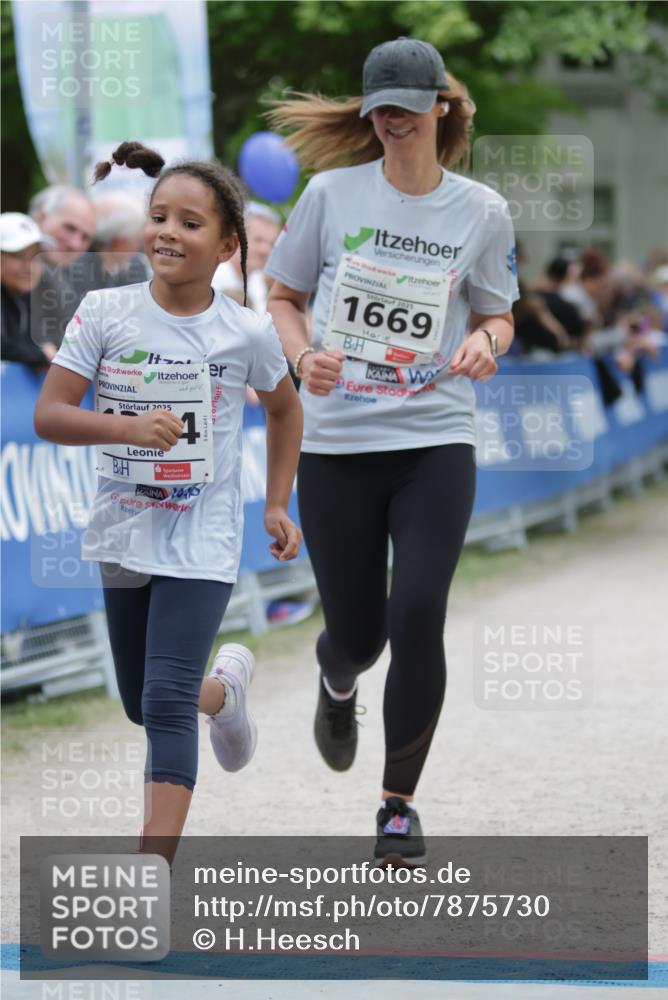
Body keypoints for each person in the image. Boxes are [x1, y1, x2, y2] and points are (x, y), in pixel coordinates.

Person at [265, 37, 518, 865]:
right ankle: (337, 682)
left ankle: (397, 805)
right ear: (369, 111)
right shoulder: (330, 194)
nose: (393, 121)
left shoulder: (480, 209)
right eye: (380, 109)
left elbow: (499, 312)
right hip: (338, 442)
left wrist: (487, 340)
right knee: (360, 636)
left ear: (441, 105)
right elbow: (283, 297)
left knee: (418, 613)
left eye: (408, 106)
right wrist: (304, 358)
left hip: (433, 436)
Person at [34, 141, 303, 862]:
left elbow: (285, 411)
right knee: (141, 702)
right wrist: (126, 428)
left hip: (203, 535)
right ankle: (224, 694)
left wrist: (276, 504)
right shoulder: (104, 311)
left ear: (226, 245)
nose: (168, 233)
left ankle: (150, 876)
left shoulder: (246, 331)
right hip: (123, 531)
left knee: (161, 703)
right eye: (159, 217)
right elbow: (50, 415)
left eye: (190, 223)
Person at [0, 212, 67, 369]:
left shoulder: (25, 297)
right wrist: (40, 354)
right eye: (18, 256)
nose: (29, 266)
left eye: (36, 257)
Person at [212, 201, 281, 312]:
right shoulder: (212, 277)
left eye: (272, 244)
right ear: (236, 239)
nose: (265, 250)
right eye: (258, 240)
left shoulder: (256, 281)